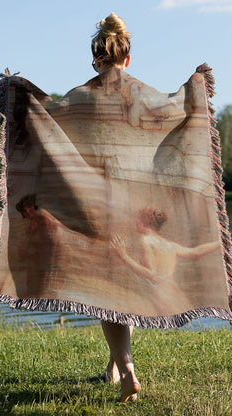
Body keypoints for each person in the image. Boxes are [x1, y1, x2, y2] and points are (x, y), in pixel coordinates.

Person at [91, 12, 141, 403]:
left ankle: (127, 371)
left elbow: (49, 125)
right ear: (127, 58)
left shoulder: (82, 96)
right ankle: (113, 365)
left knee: (107, 294)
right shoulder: (142, 95)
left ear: (96, 59)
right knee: (123, 289)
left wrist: (16, 92)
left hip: (97, 205)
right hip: (137, 205)